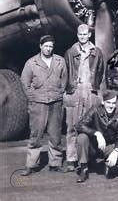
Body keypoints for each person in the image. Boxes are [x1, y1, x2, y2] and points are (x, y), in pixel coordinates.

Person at [20, 35, 67, 176]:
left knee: (55, 134)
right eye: (46, 46)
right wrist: (32, 97)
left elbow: (64, 79)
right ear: (40, 46)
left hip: (55, 102)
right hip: (38, 103)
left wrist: (59, 92)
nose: (48, 49)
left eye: (51, 46)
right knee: (36, 134)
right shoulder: (31, 63)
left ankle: (55, 163)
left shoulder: (60, 61)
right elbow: (24, 82)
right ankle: (31, 164)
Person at [63, 24, 104, 172]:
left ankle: (88, 158)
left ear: (89, 35)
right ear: (77, 35)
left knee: (90, 126)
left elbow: (101, 72)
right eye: (80, 34)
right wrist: (68, 91)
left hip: (90, 91)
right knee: (72, 126)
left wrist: (97, 91)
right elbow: (65, 73)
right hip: (75, 91)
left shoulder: (97, 52)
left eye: (85, 34)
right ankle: (71, 159)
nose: (82, 37)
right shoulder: (70, 52)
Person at [75, 90, 118, 183]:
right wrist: (96, 133)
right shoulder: (95, 109)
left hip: (108, 146)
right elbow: (79, 125)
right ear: (103, 102)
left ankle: (109, 164)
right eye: (108, 102)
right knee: (82, 138)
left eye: (113, 103)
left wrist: (115, 152)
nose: (111, 106)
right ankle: (84, 168)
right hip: (93, 145)